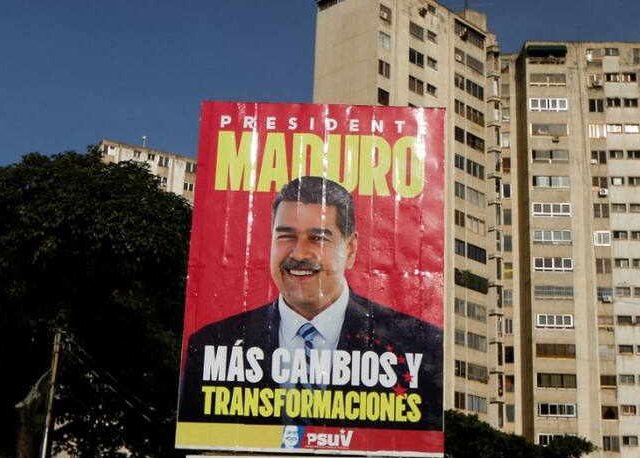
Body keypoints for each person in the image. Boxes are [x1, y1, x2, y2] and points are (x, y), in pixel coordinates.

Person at [179, 175, 444, 432]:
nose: (298, 253)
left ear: (350, 249)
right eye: (285, 236)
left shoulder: (416, 345)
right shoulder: (211, 345)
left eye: (317, 238)